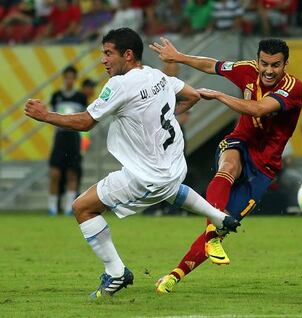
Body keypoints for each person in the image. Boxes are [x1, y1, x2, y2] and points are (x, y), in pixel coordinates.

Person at [24, 27, 240, 299]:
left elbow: (86, 122)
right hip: (174, 168)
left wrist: (46, 116)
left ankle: (116, 273)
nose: (103, 59)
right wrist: (165, 118)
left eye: (108, 53)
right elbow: (192, 95)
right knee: (171, 189)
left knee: (82, 208)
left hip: (144, 176)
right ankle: (220, 218)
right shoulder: (157, 75)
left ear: (127, 55)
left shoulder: (120, 84)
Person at [149, 37, 302, 293]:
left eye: (275, 65)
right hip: (240, 142)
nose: (268, 70)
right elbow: (214, 66)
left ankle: (174, 276)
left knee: (224, 228)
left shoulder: (293, 87)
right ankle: (212, 232)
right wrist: (178, 57)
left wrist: (220, 95)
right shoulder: (248, 70)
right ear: (257, 60)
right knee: (228, 167)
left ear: (285, 64)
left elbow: (258, 110)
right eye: (264, 63)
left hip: (264, 167)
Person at [48, 65, 87, 216]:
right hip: (60, 137)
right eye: (67, 77)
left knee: (72, 172)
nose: (69, 80)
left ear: (75, 79)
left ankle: (68, 207)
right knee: (55, 173)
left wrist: (84, 144)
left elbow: (85, 119)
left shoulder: (80, 97)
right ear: (64, 78)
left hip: (74, 137)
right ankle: (52, 207)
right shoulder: (56, 95)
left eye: (72, 77)